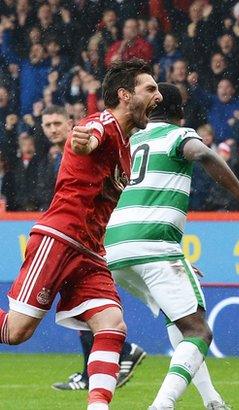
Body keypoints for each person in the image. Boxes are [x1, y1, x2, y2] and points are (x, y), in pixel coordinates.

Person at [99, 83, 239, 409]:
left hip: (115, 248)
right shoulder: (178, 136)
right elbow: (205, 155)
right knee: (198, 331)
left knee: (177, 320)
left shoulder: (130, 141)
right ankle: (162, 405)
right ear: (180, 113)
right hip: (152, 244)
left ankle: (213, 401)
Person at [0, 59, 163, 410]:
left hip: (90, 251)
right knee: (16, 332)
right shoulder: (102, 123)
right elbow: (87, 138)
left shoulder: (127, 150)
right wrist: (82, 141)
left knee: (112, 324)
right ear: (124, 95)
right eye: (150, 89)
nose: (158, 96)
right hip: (60, 238)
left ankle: (98, 407)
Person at [37, 105, 147, 392]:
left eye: (57, 123)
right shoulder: (54, 156)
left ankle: (121, 353)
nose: (51, 129)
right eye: (46, 124)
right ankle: (97, 368)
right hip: (82, 234)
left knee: (85, 303)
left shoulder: (86, 142)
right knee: (83, 302)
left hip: (91, 234)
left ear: (71, 123)